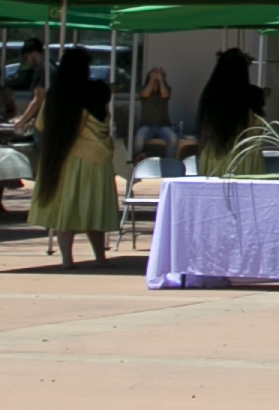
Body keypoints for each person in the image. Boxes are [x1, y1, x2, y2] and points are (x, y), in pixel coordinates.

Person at [31, 46, 118, 266]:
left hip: (63, 159)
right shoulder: (97, 91)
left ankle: (66, 260)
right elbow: (105, 116)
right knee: (93, 209)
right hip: (96, 161)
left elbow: (41, 125)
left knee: (65, 210)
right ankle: (100, 256)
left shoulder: (56, 95)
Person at [193, 47, 264, 168]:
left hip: (215, 155)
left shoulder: (211, 95)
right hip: (243, 158)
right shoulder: (251, 96)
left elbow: (204, 130)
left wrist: (199, 156)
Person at [125, 63, 186, 174]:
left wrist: (161, 79)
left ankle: (169, 164)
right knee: (139, 136)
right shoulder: (145, 88)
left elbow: (165, 95)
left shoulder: (166, 88)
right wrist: (152, 79)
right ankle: (138, 161)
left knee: (172, 137)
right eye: (153, 74)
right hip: (146, 125)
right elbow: (144, 94)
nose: (156, 77)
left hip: (163, 125)